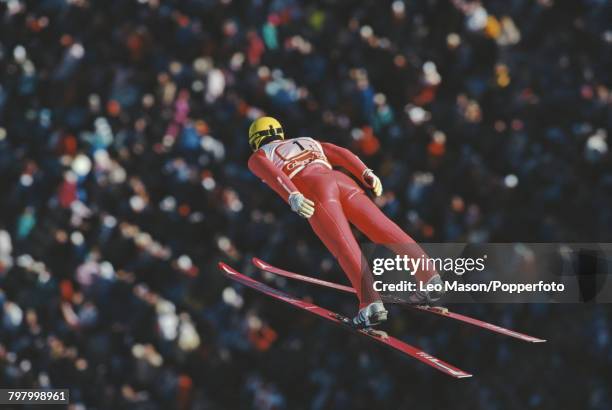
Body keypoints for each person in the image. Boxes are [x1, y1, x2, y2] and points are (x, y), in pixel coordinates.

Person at [247, 117, 442, 327]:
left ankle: (371, 304)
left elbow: (273, 174)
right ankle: (430, 278)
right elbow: (338, 151)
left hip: (315, 189)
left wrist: (293, 195)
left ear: (256, 140)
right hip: (341, 180)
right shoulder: (306, 140)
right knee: (385, 229)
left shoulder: (259, 155)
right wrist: (364, 172)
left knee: (344, 245)